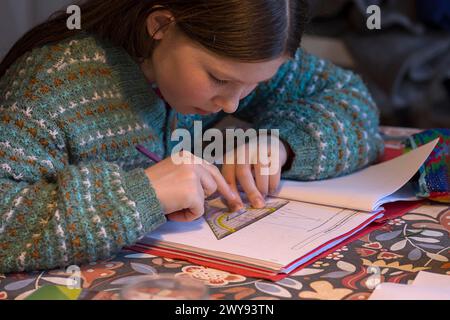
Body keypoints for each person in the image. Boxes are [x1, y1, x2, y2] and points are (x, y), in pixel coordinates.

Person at [0, 0, 384, 273]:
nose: (233, 105)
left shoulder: (239, 59)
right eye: (219, 79)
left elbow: (351, 103)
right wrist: (139, 193)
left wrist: (280, 144)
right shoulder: (51, 85)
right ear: (161, 26)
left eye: (255, 85)